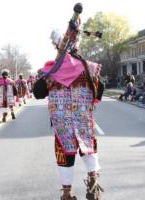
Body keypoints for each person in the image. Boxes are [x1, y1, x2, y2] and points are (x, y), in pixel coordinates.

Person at [35, 27, 104, 199]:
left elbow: (37, 93)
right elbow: (99, 91)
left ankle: (67, 192)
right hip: (83, 121)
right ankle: (93, 183)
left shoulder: (50, 71)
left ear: (57, 47)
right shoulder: (89, 68)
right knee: (88, 149)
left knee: (65, 154)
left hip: (62, 124)